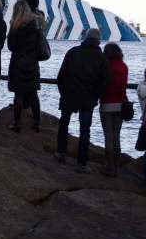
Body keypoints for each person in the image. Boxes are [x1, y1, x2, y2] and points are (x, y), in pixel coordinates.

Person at [55, 28, 111, 173]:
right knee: (85, 129)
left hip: (69, 95)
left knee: (64, 123)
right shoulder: (102, 58)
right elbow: (105, 81)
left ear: (86, 37)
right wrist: (96, 95)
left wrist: (64, 92)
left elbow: (61, 76)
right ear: (99, 40)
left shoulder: (72, 52)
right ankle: (81, 163)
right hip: (88, 98)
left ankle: (61, 152)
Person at [7, 0, 42, 133]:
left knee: (18, 95)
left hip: (18, 64)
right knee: (33, 94)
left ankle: (17, 123)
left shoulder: (15, 26)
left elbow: (11, 46)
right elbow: (39, 46)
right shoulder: (36, 25)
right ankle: (36, 123)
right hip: (32, 64)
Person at [99, 43, 129, 177]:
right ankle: (116, 167)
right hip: (120, 104)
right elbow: (122, 87)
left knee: (108, 136)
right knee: (117, 136)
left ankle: (109, 167)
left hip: (106, 104)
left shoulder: (105, 67)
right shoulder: (124, 67)